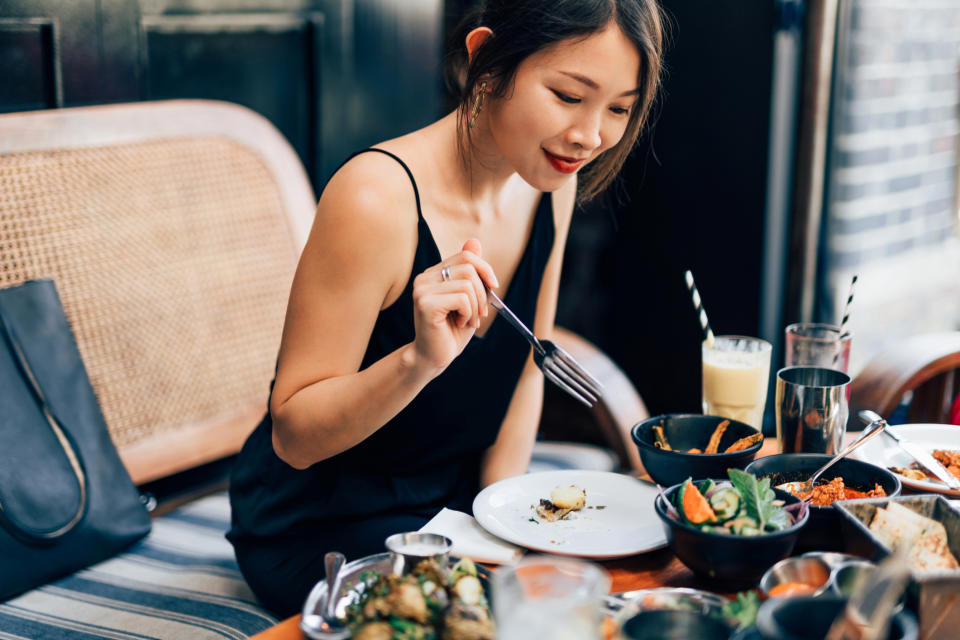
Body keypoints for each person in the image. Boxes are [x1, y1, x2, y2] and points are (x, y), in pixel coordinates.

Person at [228, 0, 665, 617]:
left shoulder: (552, 184)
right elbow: (294, 437)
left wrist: (505, 524)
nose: (590, 135)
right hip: (323, 525)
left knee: (620, 592)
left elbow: (527, 370)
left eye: (619, 107)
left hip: (453, 510)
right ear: (486, 57)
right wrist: (417, 361)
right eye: (569, 95)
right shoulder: (375, 198)